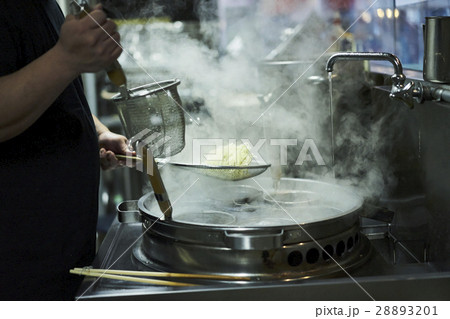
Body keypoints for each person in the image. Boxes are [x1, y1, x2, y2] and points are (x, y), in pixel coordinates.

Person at [0, 0, 131, 300]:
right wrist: (66, 58)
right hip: (16, 271)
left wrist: (95, 131)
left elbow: (52, 92)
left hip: (63, 258)